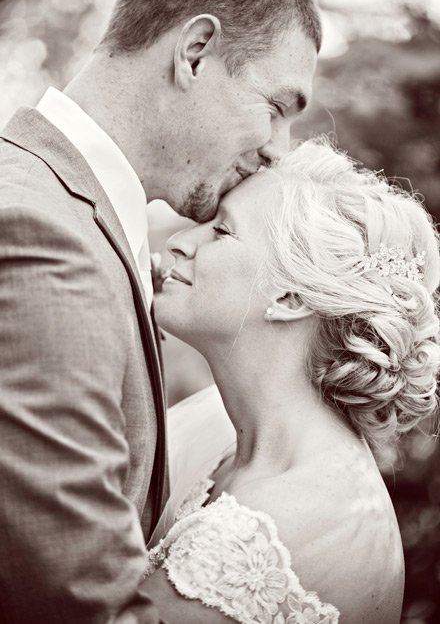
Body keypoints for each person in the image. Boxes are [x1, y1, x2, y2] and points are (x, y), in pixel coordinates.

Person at [0, 0, 320, 622]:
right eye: (276, 108)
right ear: (195, 52)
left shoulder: (71, 214)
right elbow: (77, 602)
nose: (278, 150)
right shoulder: (42, 231)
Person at [144, 139, 440, 623]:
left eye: (222, 231)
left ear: (290, 298)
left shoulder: (280, 527)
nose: (180, 241)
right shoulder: (222, 436)